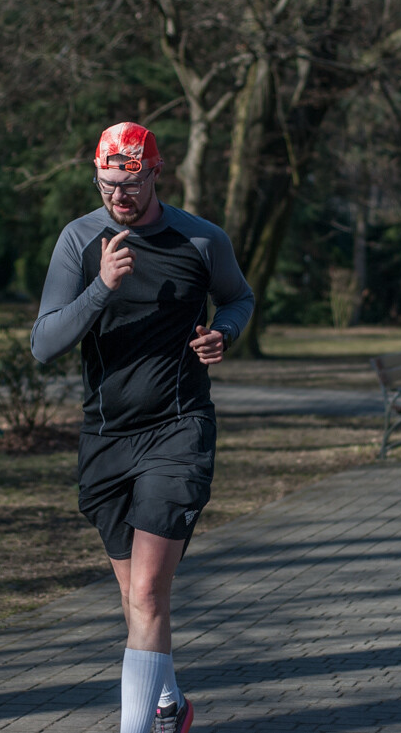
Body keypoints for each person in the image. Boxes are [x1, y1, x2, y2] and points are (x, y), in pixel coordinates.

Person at [31, 122, 254, 733]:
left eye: (128, 186)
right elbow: (44, 343)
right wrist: (101, 288)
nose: (117, 200)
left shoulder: (201, 240)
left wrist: (223, 333)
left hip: (178, 430)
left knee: (151, 592)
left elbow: (239, 298)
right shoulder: (80, 241)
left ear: (155, 173)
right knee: (135, 600)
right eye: (105, 187)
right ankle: (170, 704)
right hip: (106, 437)